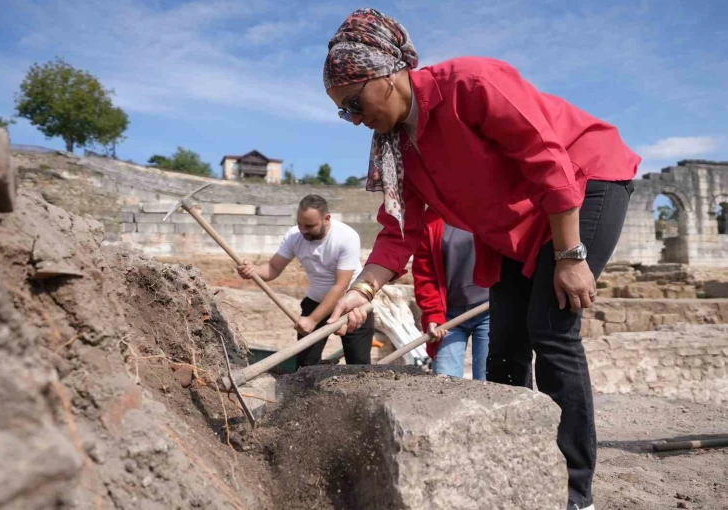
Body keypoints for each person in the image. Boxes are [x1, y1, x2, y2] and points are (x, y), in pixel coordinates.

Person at [322, 8, 639, 510]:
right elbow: (398, 233)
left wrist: (570, 255)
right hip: (515, 224)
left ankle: (574, 493)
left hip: (583, 182)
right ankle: (515, 462)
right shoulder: (400, 149)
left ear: (386, 74)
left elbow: (547, 160)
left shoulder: (470, 84)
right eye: (345, 113)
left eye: (354, 103)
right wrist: (361, 293)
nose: (356, 120)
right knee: (505, 346)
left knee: (551, 330)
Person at [236, 194, 374, 368]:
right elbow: (273, 268)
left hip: (352, 305)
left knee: (359, 365)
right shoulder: (294, 236)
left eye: (309, 226)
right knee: (305, 366)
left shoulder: (346, 237)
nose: (303, 230)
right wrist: (252, 270)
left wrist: (312, 320)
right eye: (300, 224)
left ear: (327, 219)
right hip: (315, 303)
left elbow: (341, 285)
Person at [413, 208, 489, 379]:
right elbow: (425, 274)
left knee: (489, 381)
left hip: (489, 310)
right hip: (449, 316)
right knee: (444, 382)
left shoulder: (490, 208)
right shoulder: (432, 220)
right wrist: (433, 313)